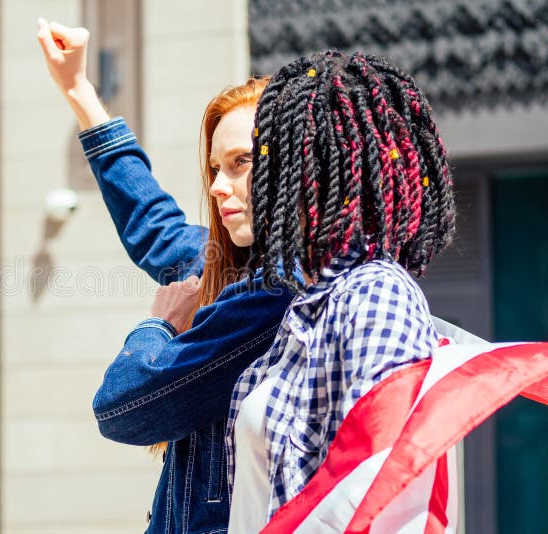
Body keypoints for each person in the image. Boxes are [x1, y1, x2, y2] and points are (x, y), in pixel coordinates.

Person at [37, 19, 298, 533]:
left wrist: (159, 326)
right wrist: (80, 92)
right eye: (214, 169)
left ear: (291, 165)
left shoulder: (278, 294)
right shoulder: (222, 265)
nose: (219, 187)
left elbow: (124, 407)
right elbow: (154, 222)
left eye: (241, 163)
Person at [226, 50, 457, 532]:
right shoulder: (310, 301)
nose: (263, 181)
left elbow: (388, 504)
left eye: (267, 159)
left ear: (318, 172)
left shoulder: (376, 297)